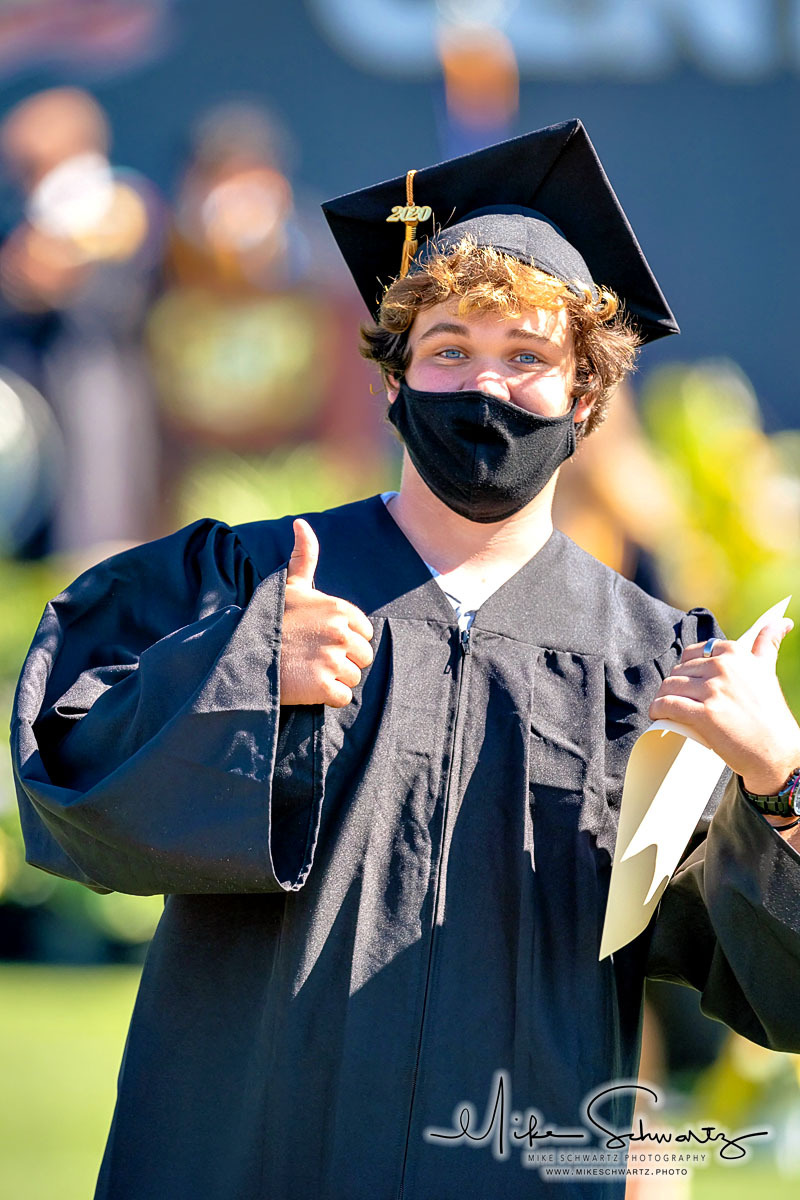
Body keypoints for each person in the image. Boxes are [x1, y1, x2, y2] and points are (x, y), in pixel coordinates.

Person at [10, 120, 800, 1200]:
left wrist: (778, 784)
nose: (484, 385)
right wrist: (237, 671)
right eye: (447, 351)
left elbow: (778, 996)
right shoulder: (244, 583)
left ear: (583, 400)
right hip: (246, 1162)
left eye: (526, 358)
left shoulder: (645, 663)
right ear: (393, 381)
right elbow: (69, 790)